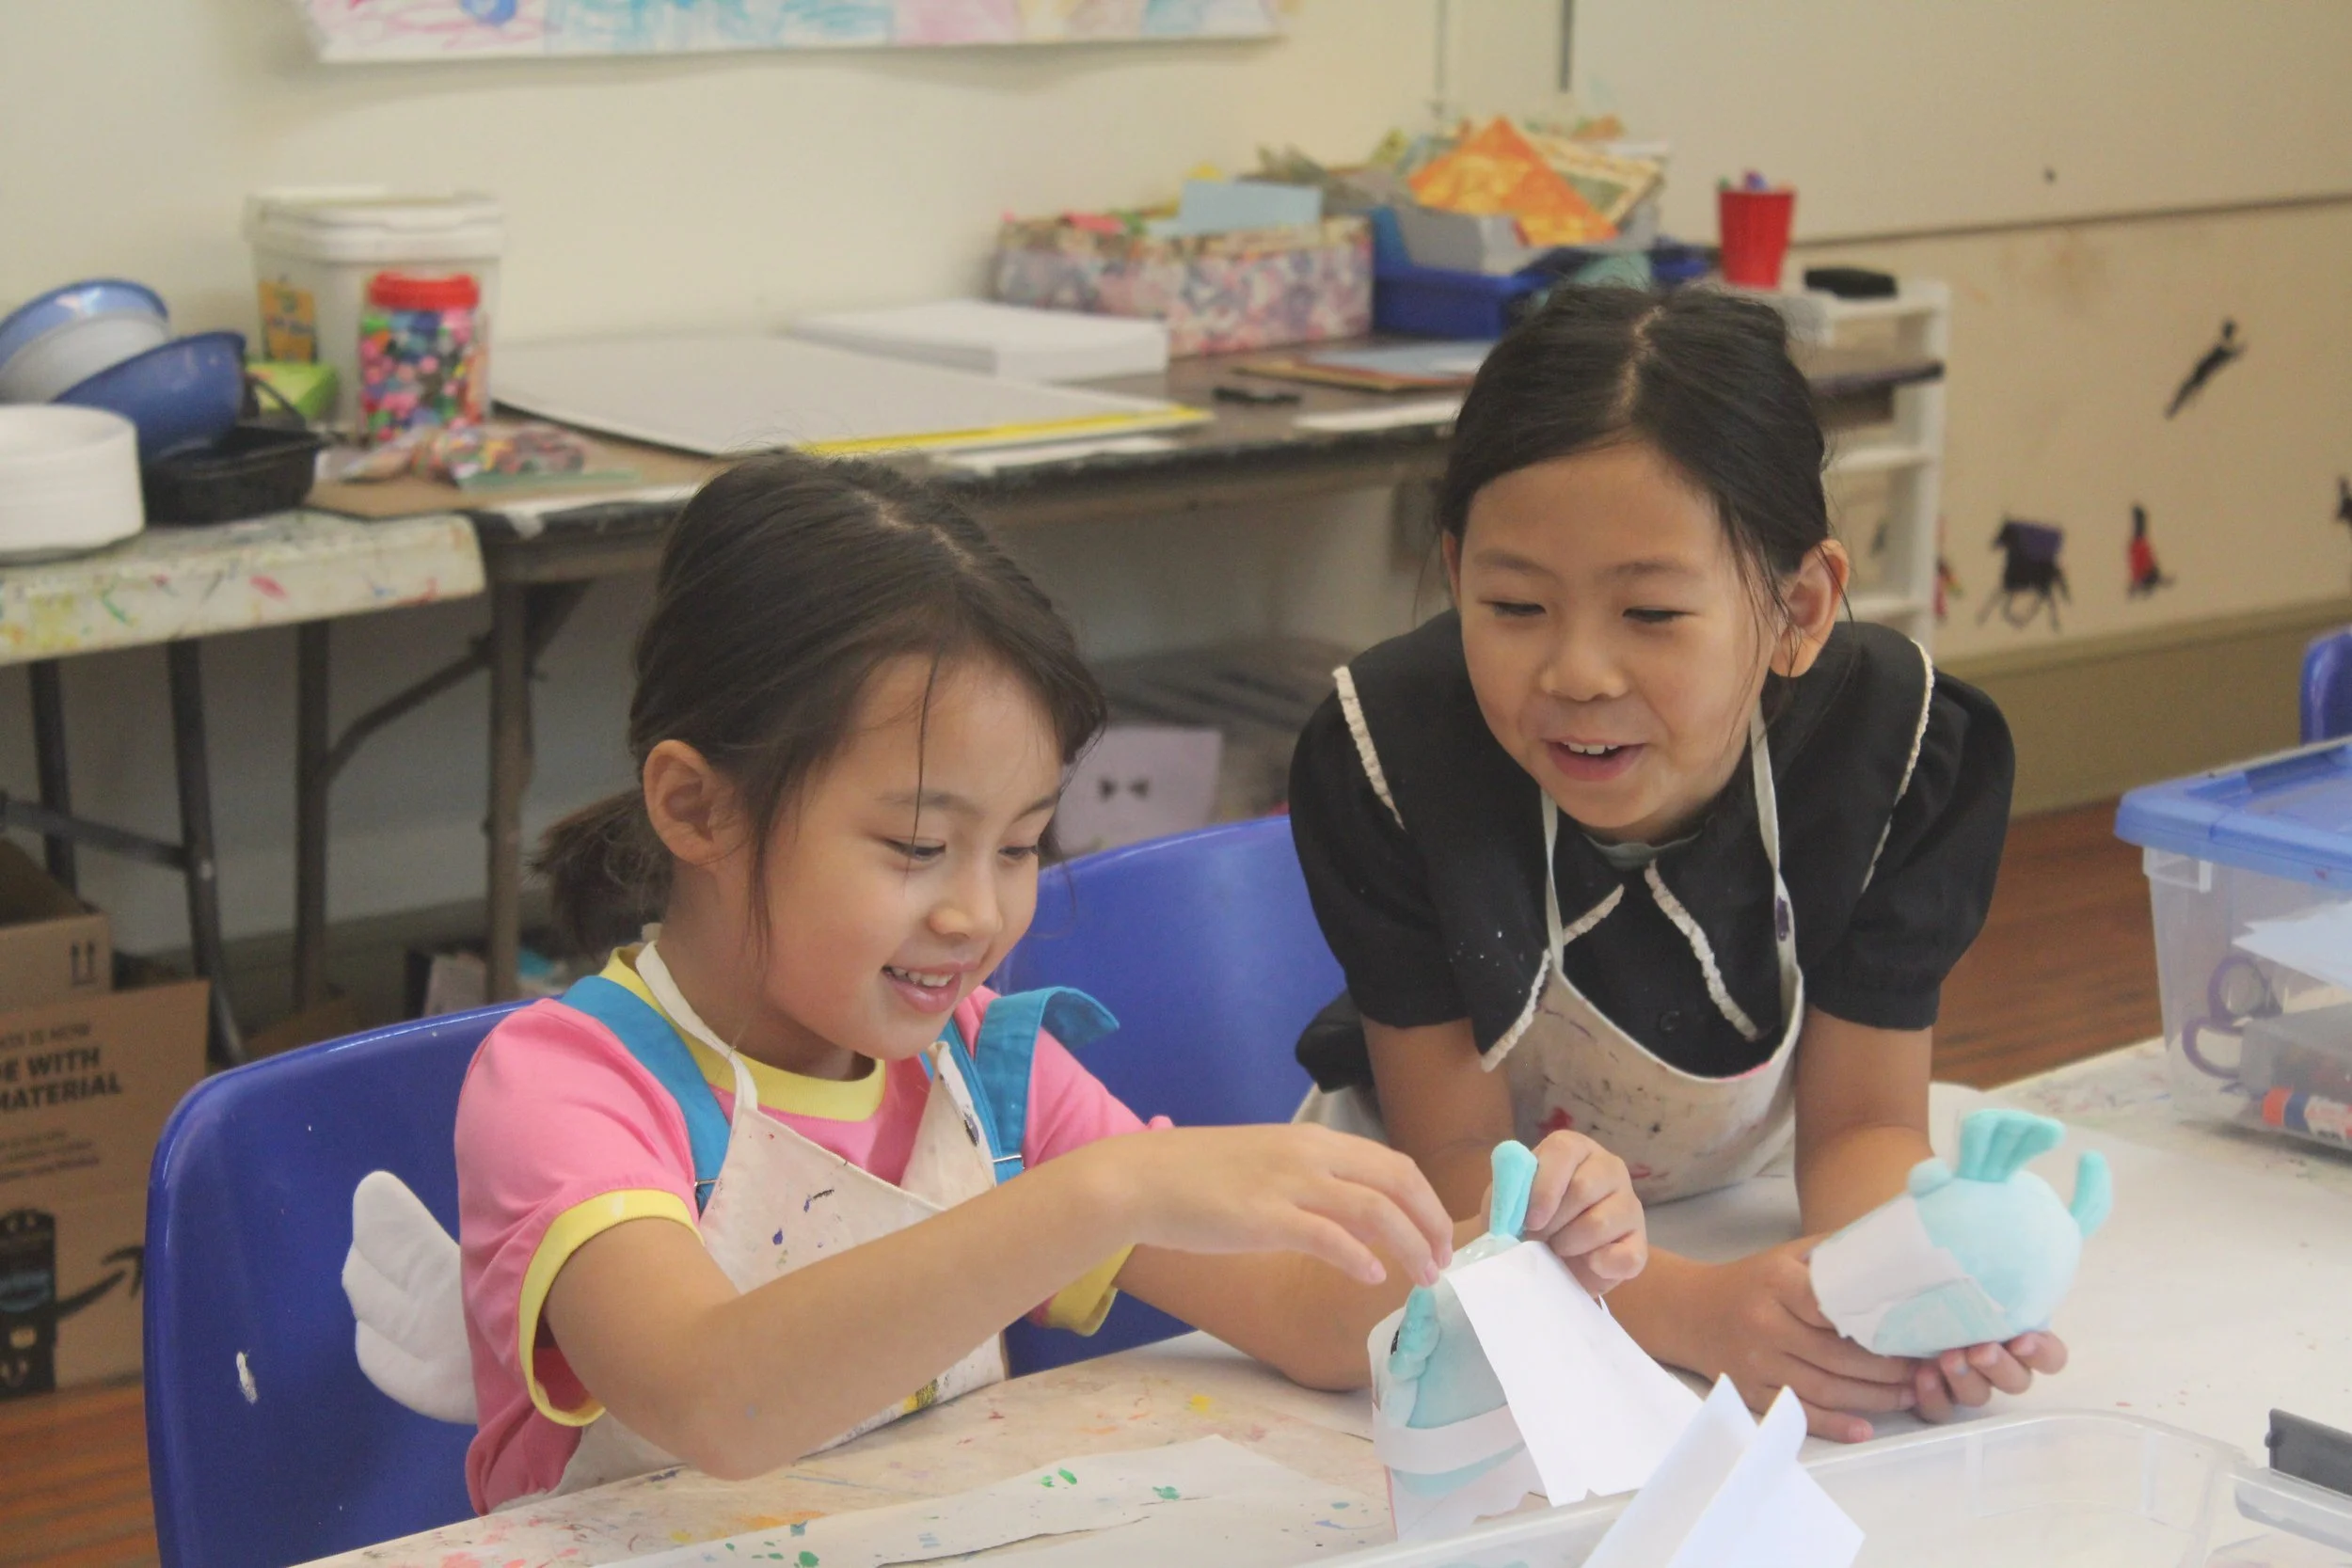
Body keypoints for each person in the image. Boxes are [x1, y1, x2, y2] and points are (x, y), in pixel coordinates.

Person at [454, 453, 1648, 1511]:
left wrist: (1505, 1250)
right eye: (917, 845)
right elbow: (712, 1399)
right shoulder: (571, 1086)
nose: (977, 912)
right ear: (698, 807)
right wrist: (1104, 1192)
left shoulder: (985, 1071)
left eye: (1020, 845)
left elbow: (1313, 1318)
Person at [1287, 285, 2059, 1440]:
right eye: (1513, 604)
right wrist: (1692, 1311)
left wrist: (1902, 1289)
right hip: (1449, 1265)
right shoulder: (1389, 755)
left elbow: (1857, 1128)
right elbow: (1456, 1160)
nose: (1577, 672)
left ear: (1798, 607)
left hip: (1737, 1214)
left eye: (1649, 613)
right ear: (1453, 572)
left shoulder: (1897, 753)